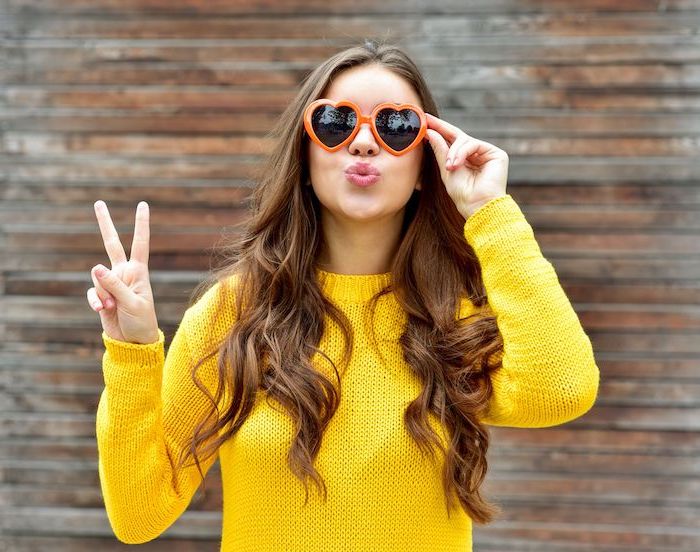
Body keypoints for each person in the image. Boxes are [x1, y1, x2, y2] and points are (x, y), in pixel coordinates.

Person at [88, 39, 600, 551]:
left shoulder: (454, 317)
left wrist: (491, 212)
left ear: (426, 166)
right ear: (305, 154)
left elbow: (562, 390)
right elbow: (139, 513)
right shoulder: (232, 313)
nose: (362, 143)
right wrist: (133, 352)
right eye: (336, 123)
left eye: (396, 127)